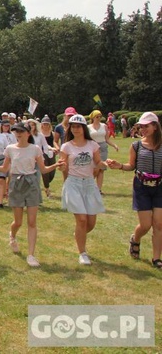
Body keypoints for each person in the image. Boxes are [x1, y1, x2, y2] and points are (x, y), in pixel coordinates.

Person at [0, 123, 63, 267]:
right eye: (16, 132)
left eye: (21, 131)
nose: (18, 134)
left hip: (32, 183)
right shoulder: (10, 149)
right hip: (16, 183)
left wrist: (56, 165)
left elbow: (43, 169)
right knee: (18, 222)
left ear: (28, 133)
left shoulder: (35, 149)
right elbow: (4, 168)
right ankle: (12, 235)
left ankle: (31, 255)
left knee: (32, 222)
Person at [107, 112, 162, 269]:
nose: (143, 129)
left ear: (155, 127)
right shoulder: (136, 146)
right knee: (145, 225)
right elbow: (131, 166)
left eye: (146, 126)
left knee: (159, 224)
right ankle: (135, 239)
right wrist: (120, 166)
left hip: (159, 187)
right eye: (141, 126)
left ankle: (157, 258)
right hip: (141, 187)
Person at [59, 114, 105, 265]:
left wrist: (103, 164)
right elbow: (63, 165)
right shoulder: (66, 146)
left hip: (89, 184)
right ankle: (82, 253)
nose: (75, 129)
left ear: (84, 128)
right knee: (82, 219)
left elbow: (98, 162)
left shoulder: (92, 145)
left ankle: (79, 235)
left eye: (78, 126)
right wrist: (62, 167)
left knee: (90, 223)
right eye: (73, 126)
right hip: (73, 183)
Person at [87, 110, 119, 195]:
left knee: (101, 169)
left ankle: (98, 189)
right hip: (93, 148)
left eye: (100, 116)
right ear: (93, 118)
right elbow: (87, 140)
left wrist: (114, 145)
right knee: (95, 169)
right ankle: (89, 186)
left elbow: (107, 139)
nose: (99, 118)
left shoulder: (104, 126)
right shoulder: (88, 127)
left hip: (103, 148)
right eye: (97, 116)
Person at [39, 116, 59, 199]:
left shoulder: (52, 133)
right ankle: (47, 189)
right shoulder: (39, 134)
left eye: (47, 124)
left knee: (52, 172)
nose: (46, 126)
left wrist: (57, 148)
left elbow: (54, 142)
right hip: (42, 153)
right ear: (42, 125)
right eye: (44, 124)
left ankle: (47, 183)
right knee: (45, 172)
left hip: (51, 153)